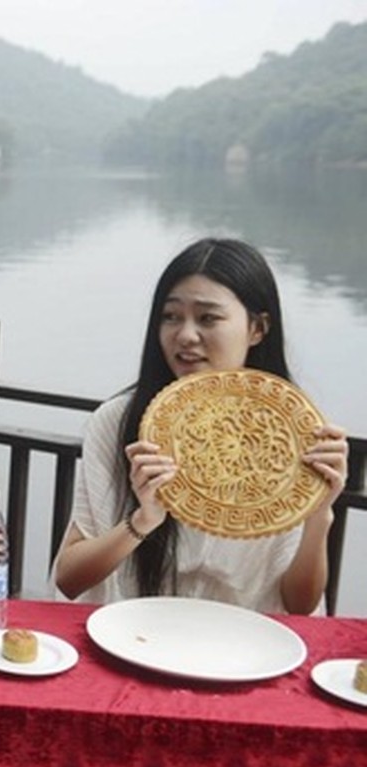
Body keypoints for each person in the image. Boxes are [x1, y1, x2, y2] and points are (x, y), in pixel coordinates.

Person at [52, 238, 348, 614]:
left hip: (246, 647)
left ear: (257, 328)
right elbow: (69, 578)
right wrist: (142, 521)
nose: (186, 335)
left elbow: (300, 605)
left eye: (208, 318)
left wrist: (319, 513)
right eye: (171, 316)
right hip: (134, 637)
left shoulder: (291, 437)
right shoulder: (118, 423)